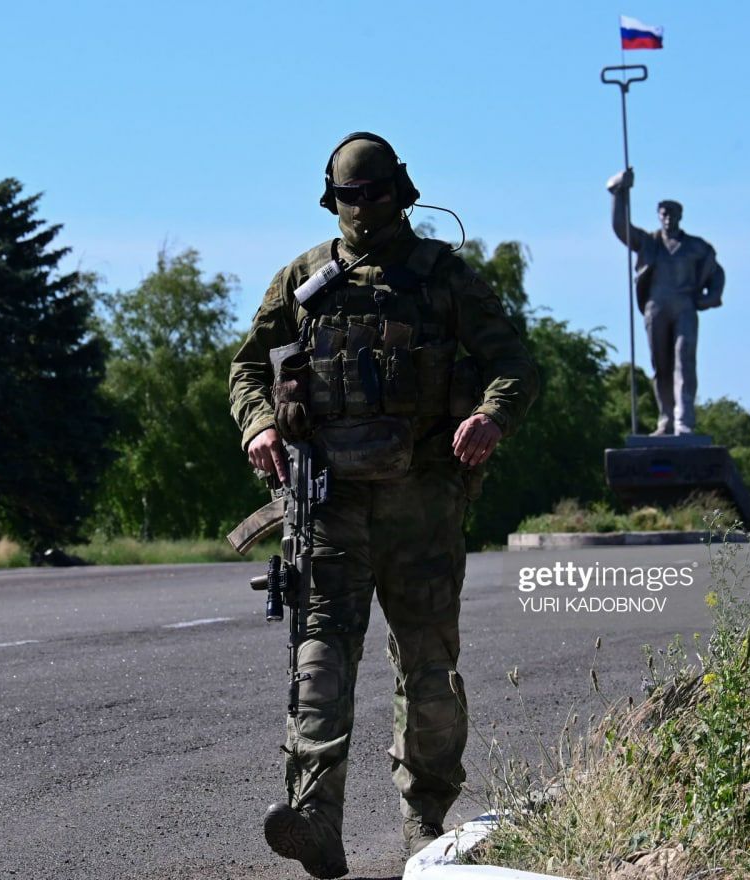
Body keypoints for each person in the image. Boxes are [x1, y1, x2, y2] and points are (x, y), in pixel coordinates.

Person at [229, 132, 538, 877]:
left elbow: (515, 362)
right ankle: (314, 821)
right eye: (348, 197)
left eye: (374, 194)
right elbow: (245, 368)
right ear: (331, 200)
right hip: (328, 507)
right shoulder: (302, 279)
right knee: (319, 661)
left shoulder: (445, 276)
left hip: (423, 507)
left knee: (429, 671)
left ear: (402, 190)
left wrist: (491, 416)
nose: (362, 209)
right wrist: (260, 423)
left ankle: (425, 824)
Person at [607, 167, 725, 435]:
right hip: (656, 308)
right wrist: (619, 192)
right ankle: (666, 418)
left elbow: (717, 273)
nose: (668, 219)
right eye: (663, 214)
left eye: (672, 214)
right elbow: (620, 228)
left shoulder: (697, 247)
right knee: (661, 366)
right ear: (659, 217)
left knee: (684, 360)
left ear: (680, 216)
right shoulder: (650, 243)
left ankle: (684, 420)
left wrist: (710, 298)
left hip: (684, 307)